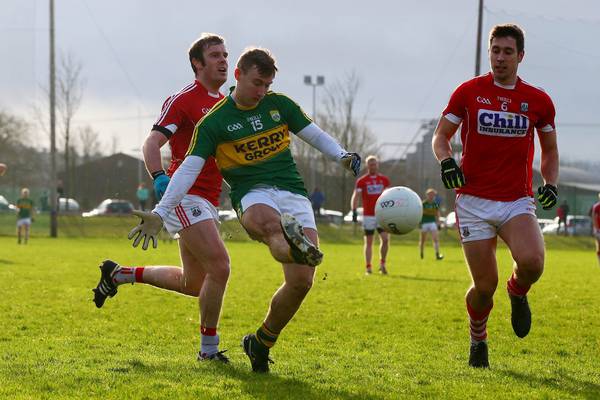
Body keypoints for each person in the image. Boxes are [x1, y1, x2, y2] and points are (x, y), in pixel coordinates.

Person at [127, 47, 361, 373]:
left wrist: (342, 155)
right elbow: (188, 169)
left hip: (293, 194)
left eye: (267, 84)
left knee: (301, 282)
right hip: (252, 194)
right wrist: (161, 210)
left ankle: (261, 340)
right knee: (270, 227)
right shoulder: (214, 122)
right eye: (257, 83)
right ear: (239, 75)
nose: (262, 91)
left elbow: (314, 134)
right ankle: (294, 244)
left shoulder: (279, 105)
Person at [92, 33, 231, 362]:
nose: (223, 60)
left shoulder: (227, 104)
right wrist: (159, 179)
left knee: (194, 283)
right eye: (215, 55)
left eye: (225, 54)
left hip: (209, 199)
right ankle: (208, 351)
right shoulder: (183, 99)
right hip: (185, 195)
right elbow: (151, 144)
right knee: (221, 267)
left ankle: (120, 274)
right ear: (197, 63)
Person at [432, 24, 559, 368]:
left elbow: (549, 150)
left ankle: (518, 291)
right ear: (489, 53)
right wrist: (446, 161)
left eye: (507, 51)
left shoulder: (539, 101)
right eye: (495, 51)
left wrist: (550, 182)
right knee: (484, 286)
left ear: (520, 56)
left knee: (533, 262)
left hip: (516, 199)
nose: (500, 58)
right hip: (473, 201)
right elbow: (441, 136)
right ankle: (478, 338)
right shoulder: (469, 92)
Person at [350, 155, 391, 275]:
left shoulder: (384, 180)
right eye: (370, 164)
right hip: (368, 215)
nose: (373, 166)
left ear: (377, 165)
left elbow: (390, 197)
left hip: (382, 215)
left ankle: (382, 264)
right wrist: (354, 210)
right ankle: (368, 267)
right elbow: (355, 196)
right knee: (369, 241)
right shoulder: (362, 181)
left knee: (385, 239)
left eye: (375, 164)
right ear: (367, 165)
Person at [419, 188, 444, 260]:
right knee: (423, 240)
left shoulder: (435, 204)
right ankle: (421, 253)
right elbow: (421, 213)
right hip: (424, 223)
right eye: (430, 194)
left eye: (433, 195)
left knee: (435, 238)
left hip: (432, 222)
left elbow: (437, 213)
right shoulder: (423, 203)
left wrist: (439, 223)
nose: (431, 196)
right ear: (427, 195)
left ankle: (437, 254)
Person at [592, 194, 600, 266]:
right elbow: (594, 218)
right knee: (599, 247)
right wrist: (597, 229)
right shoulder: (597, 206)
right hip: (598, 230)